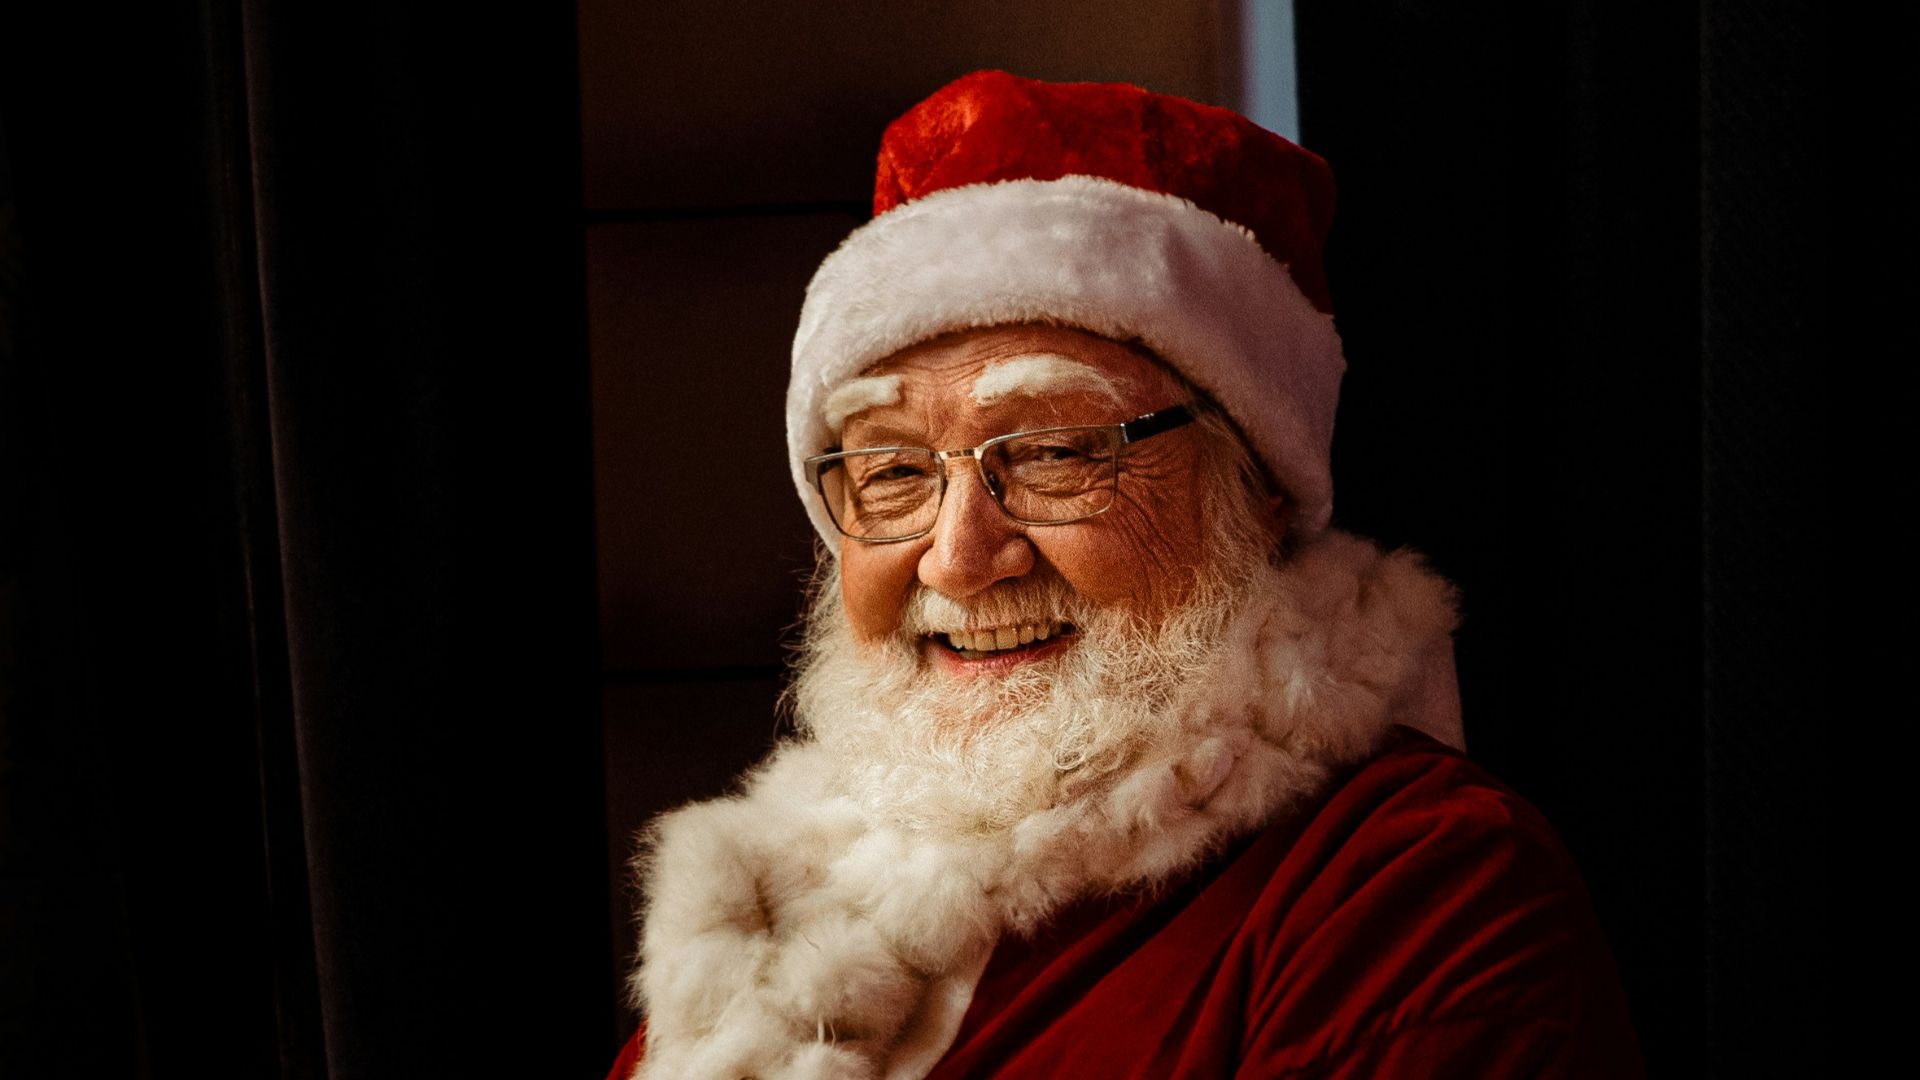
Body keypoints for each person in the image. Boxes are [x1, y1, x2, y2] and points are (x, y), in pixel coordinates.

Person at [610, 70, 1644, 1079]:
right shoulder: (765, 920)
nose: (962, 559)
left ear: (1260, 486)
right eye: (890, 473)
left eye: (1057, 453)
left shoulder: (1414, 890)